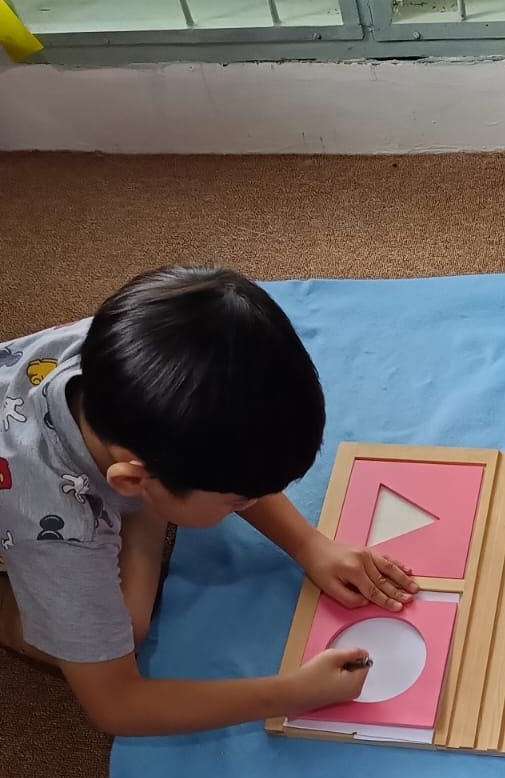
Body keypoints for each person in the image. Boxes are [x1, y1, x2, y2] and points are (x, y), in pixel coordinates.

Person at [0, 266, 417, 736]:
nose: (250, 503)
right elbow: (117, 706)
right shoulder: (62, 537)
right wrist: (294, 692)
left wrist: (310, 545)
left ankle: (161, 500)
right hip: (30, 523)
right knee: (128, 628)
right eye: (237, 501)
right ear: (133, 479)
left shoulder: (129, 351)